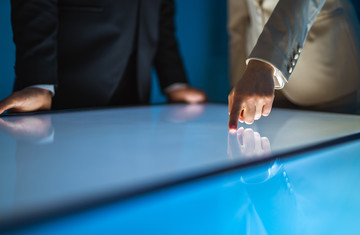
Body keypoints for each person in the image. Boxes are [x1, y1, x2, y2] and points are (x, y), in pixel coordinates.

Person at [0, 0, 206, 114]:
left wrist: (174, 81)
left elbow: (161, 10)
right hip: (64, 85)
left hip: (135, 95)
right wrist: (38, 83)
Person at [227, 0, 360, 130]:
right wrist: (240, 82)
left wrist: (261, 64)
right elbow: (238, 21)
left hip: (323, 71)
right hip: (260, 74)